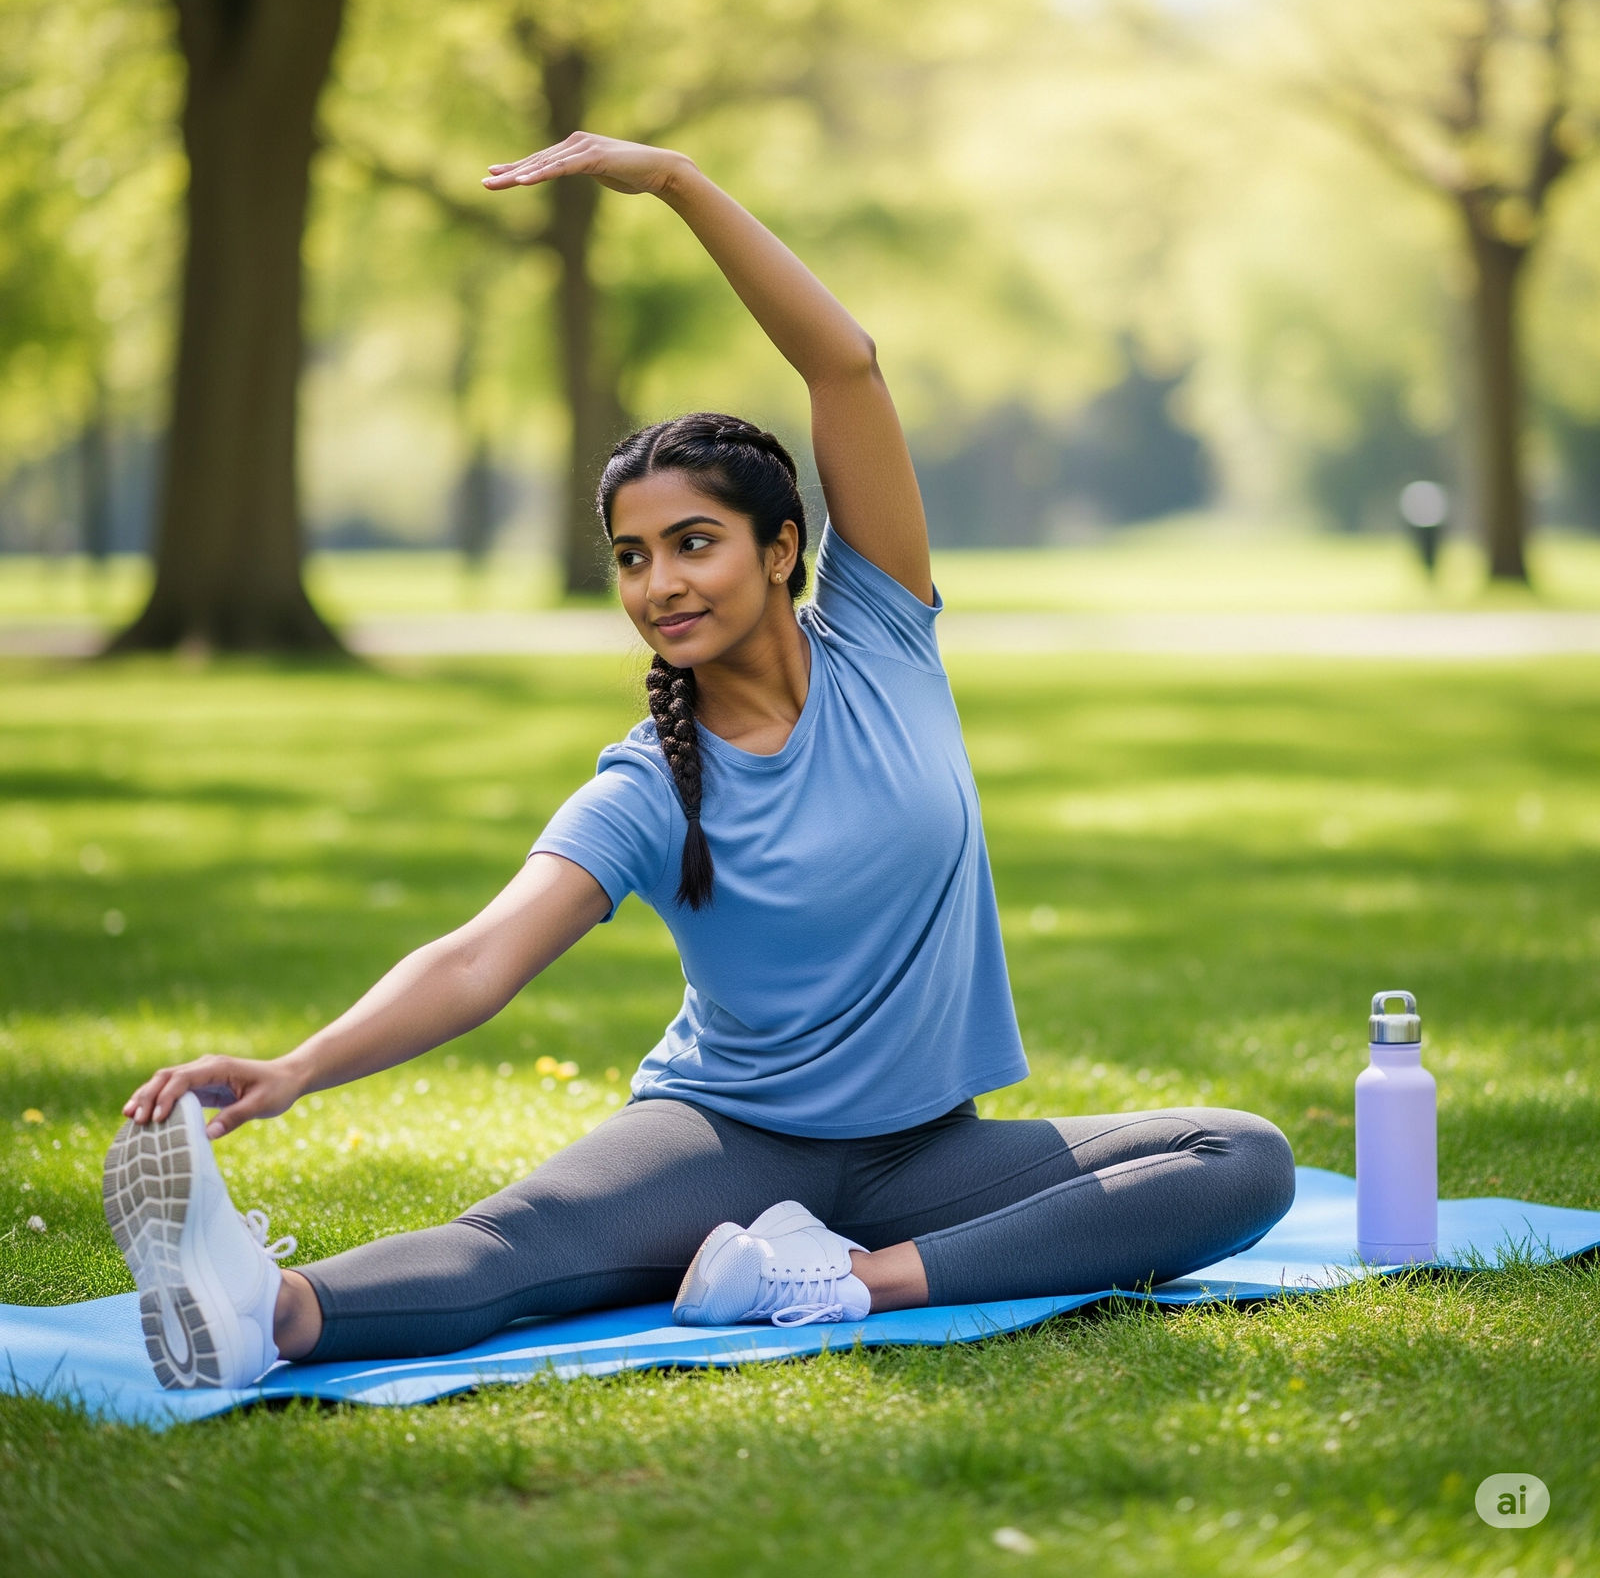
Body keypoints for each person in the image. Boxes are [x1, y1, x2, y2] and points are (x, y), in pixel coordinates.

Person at [103, 133, 1295, 1392]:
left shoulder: (885, 636)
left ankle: (831, 1278)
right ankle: (262, 1310)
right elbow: (478, 955)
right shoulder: (647, 785)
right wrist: (297, 1067)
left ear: (784, 548)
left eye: (692, 542)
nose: (658, 583)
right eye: (630, 556)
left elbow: (846, 363)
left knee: (1242, 1158)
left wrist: (673, 183)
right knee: (518, 1248)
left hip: (925, 1159)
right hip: (722, 1140)